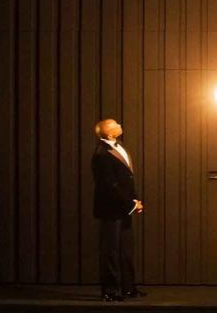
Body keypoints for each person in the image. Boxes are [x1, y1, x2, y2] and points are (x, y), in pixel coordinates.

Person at [91, 118, 145, 302]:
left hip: (124, 208)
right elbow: (109, 185)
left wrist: (135, 200)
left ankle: (128, 288)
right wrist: (131, 204)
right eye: (116, 125)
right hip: (111, 210)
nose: (120, 125)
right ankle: (110, 290)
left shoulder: (119, 147)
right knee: (111, 251)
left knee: (126, 250)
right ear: (109, 133)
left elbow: (127, 178)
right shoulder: (101, 154)